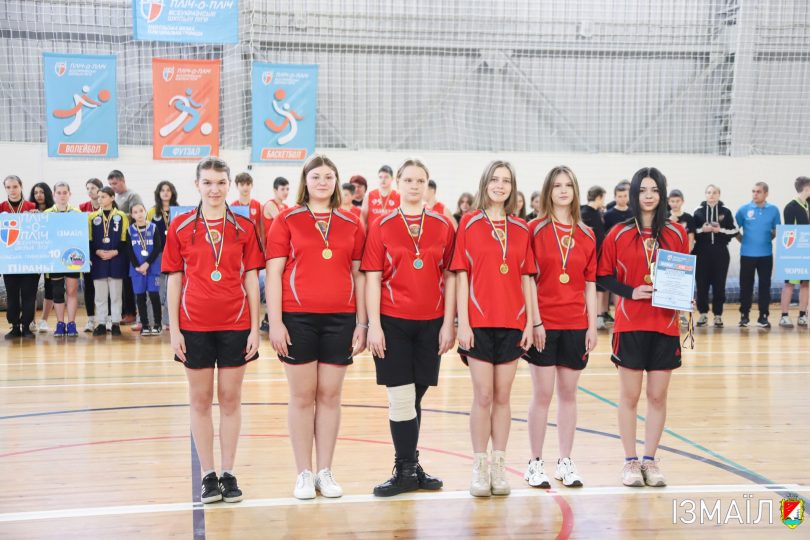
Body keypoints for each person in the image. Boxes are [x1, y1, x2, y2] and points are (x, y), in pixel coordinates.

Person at [266, 154, 367, 500]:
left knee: (330, 396)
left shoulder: (352, 221)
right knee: (301, 396)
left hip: (341, 319)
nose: (322, 182)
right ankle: (304, 473)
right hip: (298, 319)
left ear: (336, 182)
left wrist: (362, 323)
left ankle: (325, 470)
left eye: (329, 177)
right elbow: (274, 274)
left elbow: (359, 275)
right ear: (305, 182)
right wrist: (275, 322)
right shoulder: (286, 219)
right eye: (316, 177)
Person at [164, 157, 264, 504]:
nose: (214, 189)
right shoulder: (180, 226)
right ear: (197, 185)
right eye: (207, 182)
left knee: (231, 399)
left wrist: (255, 327)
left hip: (236, 324)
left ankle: (229, 472)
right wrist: (174, 330)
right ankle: (208, 474)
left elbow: (251, 278)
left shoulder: (244, 227)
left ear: (229, 185)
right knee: (201, 400)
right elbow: (174, 279)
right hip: (194, 326)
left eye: (221, 182)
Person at [363, 159, 456, 497]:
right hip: (393, 322)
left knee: (414, 397)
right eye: (409, 180)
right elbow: (372, 277)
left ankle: (411, 466)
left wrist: (449, 323)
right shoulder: (382, 224)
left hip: (431, 323)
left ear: (428, 185)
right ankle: (405, 470)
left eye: (421, 180)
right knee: (401, 398)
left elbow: (451, 275)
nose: (415, 186)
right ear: (398, 184)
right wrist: (374, 325)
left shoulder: (443, 225)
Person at [596, 167, 688, 488]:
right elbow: (603, 275)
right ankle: (630, 461)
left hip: (665, 324)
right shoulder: (618, 233)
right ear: (634, 194)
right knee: (630, 396)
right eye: (643, 190)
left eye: (654, 190)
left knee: (658, 397)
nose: (649, 196)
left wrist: (685, 296)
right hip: (630, 324)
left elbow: (682, 275)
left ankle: (650, 459)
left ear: (662, 194)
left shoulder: (677, 233)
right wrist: (630, 291)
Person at [451, 160, 535, 498]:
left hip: (513, 322)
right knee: (483, 395)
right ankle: (480, 464)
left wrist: (530, 322)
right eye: (495, 180)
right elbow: (462, 275)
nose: (500, 185)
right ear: (485, 184)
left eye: (507, 181)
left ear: (513, 187)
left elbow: (527, 277)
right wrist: (463, 322)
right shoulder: (469, 223)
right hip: (479, 323)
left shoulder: (522, 228)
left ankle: (499, 465)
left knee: (503, 396)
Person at [524, 166, 597, 489]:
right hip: (544, 324)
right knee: (542, 394)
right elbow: (528, 279)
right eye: (557, 185)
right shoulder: (534, 229)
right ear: (548, 191)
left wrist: (592, 326)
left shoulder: (587, 234)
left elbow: (590, 284)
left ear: (575, 191)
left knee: (568, 394)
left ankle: (565, 461)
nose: (563, 190)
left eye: (568, 185)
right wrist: (534, 321)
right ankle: (534, 462)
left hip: (575, 324)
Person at [735, 182, 781, 328]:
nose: (755, 194)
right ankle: (744, 315)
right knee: (745, 286)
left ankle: (763, 316)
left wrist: (766, 240)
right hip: (747, 255)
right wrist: (743, 240)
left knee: (765, 286)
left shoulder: (774, 210)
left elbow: (776, 231)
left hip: (766, 255)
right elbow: (734, 229)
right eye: (753, 191)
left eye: (758, 191)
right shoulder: (743, 209)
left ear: (766, 193)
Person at [692, 185, 737, 328]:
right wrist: (702, 229)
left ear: (719, 194)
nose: (711, 195)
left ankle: (718, 315)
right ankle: (703, 314)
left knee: (719, 284)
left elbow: (734, 230)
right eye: (709, 192)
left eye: (714, 192)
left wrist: (720, 230)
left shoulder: (726, 211)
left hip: (720, 252)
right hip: (701, 252)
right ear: (705, 194)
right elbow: (691, 231)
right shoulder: (698, 211)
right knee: (702, 284)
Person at [88, 187, 129, 337]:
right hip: (98, 260)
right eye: (99, 197)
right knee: (100, 295)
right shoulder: (92, 217)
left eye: (103, 196)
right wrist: (96, 251)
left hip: (116, 259)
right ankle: (101, 323)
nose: (100, 199)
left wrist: (115, 252)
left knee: (116, 295)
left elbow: (125, 239)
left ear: (112, 198)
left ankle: (116, 323)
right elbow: (89, 239)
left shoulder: (121, 216)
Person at [1, 175, 38, 339]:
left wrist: (39, 217)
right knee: (12, 296)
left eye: (15, 186)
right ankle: (15, 326)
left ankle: (27, 326)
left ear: (21, 186)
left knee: (29, 295)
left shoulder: (32, 207)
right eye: (8, 187)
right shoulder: (1, 208)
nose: (12, 190)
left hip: (30, 261)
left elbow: (42, 231)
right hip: (9, 262)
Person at [43, 182, 82, 337]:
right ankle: (60, 323)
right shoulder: (47, 213)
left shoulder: (77, 213)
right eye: (59, 192)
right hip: (54, 258)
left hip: (73, 257)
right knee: (57, 292)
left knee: (72, 291)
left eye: (65, 192)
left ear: (69, 194)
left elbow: (81, 236)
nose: (62, 195)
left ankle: (71, 323)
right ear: (54, 195)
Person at [107, 170, 142, 325]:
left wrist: (118, 216)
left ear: (122, 181)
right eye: (110, 184)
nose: (112, 187)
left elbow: (138, 215)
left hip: (131, 241)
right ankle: (124, 311)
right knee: (122, 278)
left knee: (128, 279)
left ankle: (131, 312)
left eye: (114, 183)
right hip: (119, 240)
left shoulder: (132, 196)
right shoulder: (116, 197)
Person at [127, 203, 164, 336]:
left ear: (145, 211)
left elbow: (157, 247)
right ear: (132, 215)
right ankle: (145, 325)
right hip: (137, 270)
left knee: (154, 296)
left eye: (141, 210)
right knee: (140, 297)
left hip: (152, 267)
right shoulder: (130, 230)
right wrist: (138, 266)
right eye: (136, 212)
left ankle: (158, 324)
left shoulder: (153, 228)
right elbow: (129, 250)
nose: (139, 214)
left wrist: (147, 264)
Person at [778, 176, 810, 328]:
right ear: (807, 188)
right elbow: (789, 232)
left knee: (805, 284)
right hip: (794, 252)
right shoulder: (791, 207)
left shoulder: (808, 204)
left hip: (807, 251)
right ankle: (784, 316)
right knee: (789, 284)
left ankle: (803, 315)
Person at [147, 180, 179, 329]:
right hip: (157, 254)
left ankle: (168, 320)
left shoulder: (179, 210)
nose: (165, 193)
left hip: (175, 253)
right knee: (156, 287)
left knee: (172, 287)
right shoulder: (152, 212)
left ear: (172, 193)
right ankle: (150, 320)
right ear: (158, 193)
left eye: (168, 190)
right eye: (162, 190)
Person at [581, 186, 609, 329]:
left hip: (598, 257)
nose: (603, 201)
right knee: (591, 287)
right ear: (598, 197)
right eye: (603, 198)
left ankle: (598, 317)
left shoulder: (596, 213)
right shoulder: (585, 213)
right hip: (589, 258)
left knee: (599, 287)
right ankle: (591, 318)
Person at [30, 182, 55, 332]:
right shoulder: (28, 210)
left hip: (51, 255)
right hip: (34, 255)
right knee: (30, 289)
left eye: (41, 192)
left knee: (50, 288)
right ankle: (30, 320)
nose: (38, 195)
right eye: (35, 192)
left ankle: (44, 320)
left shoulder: (54, 210)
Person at [80, 178, 104, 331]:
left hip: (103, 251)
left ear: (100, 189)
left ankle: (105, 319)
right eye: (88, 188)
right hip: (87, 251)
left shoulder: (107, 206)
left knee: (103, 288)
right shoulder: (82, 207)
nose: (90, 191)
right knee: (88, 286)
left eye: (93, 188)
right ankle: (90, 319)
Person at [232, 172, 264, 237]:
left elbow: (262, 229)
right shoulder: (232, 207)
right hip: (240, 241)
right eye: (242, 185)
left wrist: (263, 243)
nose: (245, 187)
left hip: (254, 241)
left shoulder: (259, 206)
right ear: (236, 186)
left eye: (248, 184)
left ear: (252, 185)